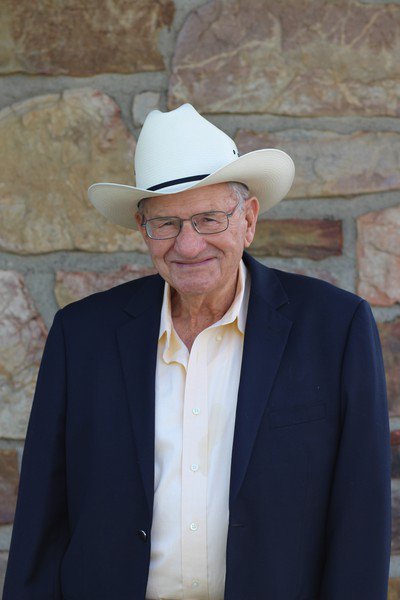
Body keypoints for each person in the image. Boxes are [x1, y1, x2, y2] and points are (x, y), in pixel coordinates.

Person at [3, 104, 391, 600]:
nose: (188, 246)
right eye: (166, 223)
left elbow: (362, 518)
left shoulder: (335, 329)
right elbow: (42, 520)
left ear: (248, 220)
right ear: (143, 228)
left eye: (209, 219)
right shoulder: (81, 336)